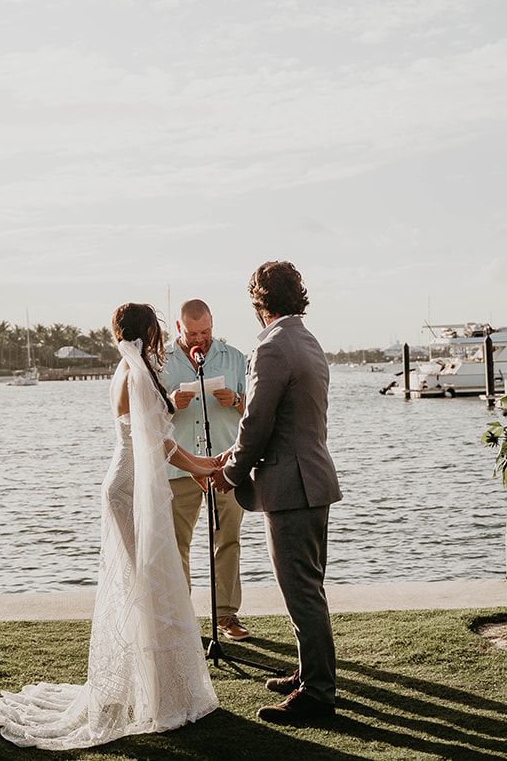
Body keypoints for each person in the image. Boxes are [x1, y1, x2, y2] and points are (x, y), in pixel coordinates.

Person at [0, 303, 221, 749]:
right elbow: (160, 443)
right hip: (127, 490)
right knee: (148, 586)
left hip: (129, 485)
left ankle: (162, 690)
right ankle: (161, 696)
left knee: (151, 584)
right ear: (148, 331)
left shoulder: (130, 369)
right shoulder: (134, 374)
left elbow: (158, 442)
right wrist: (203, 464)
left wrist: (200, 465)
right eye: (158, 328)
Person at [214, 260, 341, 724]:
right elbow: (285, 420)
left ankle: (317, 694)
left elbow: (259, 421)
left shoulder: (271, 346)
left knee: (301, 591)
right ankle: (311, 672)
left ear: (257, 302)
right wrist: (234, 457)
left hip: (291, 486)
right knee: (310, 587)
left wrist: (230, 473)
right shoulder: (307, 339)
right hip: (314, 479)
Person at [159, 298, 250, 641]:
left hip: (224, 465)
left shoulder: (235, 358)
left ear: (213, 324)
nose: (201, 338)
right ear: (179, 329)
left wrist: (236, 401)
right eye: (194, 332)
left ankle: (226, 616)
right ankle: (181, 620)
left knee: (228, 540)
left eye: (207, 331)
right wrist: (170, 404)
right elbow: (144, 415)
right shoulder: (160, 361)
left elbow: (256, 412)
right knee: (176, 545)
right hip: (178, 466)